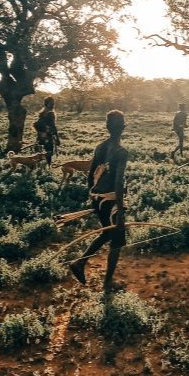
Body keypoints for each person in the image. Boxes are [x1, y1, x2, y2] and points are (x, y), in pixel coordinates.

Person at [69, 110, 129, 292]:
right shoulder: (121, 151)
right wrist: (119, 210)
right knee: (117, 239)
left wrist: (92, 197)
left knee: (106, 234)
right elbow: (118, 182)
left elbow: (90, 175)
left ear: (107, 127)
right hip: (110, 202)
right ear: (124, 128)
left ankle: (80, 263)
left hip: (97, 197)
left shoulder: (100, 147)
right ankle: (108, 283)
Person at [33, 96, 61, 166]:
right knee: (49, 152)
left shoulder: (42, 113)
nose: (53, 105)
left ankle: (36, 165)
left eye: (53, 103)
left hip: (40, 135)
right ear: (47, 104)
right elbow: (53, 127)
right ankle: (48, 166)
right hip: (47, 136)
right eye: (51, 103)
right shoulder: (50, 113)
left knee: (40, 151)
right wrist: (57, 138)